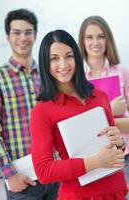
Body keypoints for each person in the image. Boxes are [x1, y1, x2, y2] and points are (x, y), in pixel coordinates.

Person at [30, 29, 128, 200]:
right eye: (54, 58)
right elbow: (43, 171)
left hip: (117, 190)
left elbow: (114, 150)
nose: (63, 64)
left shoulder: (100, 96)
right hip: (80, 196)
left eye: (69, 56)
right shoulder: (42, 111)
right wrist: (96, 162)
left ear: (76, 56)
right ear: (45, 64)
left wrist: (119, 142)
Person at [0, 8, 59, 200]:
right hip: (23, 180)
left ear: (35, 34)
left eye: (28, 31)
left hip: (55, 173)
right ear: (8, 36)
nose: (23, 37)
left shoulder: (49, 74)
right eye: (16, 32)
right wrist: (9, 174)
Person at [78, 15, 129, 184]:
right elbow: (79, 124)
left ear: (108, 39)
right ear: (82, 42)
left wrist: (100, 119)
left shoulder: (122, 72)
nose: (95, 42)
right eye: (89, 37)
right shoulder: (76, 79)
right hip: (92, 158)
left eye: (100, 36)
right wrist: (111, 110)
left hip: (124, 155)